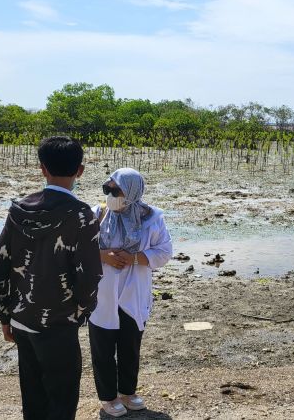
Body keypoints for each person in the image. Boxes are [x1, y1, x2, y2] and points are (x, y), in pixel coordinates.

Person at [0, 135, 103, 420]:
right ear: (80, 170)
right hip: (60, 323)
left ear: (42, 168)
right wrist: (82, 311)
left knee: (33, 396)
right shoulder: (82, 216)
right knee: (62, 401)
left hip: (22, 319)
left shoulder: (19, 210)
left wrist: (4, 315)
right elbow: (90, 274)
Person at [88, 168, 172, 417]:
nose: (111, 195)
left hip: (134, 291)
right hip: (103, 293)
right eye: (108, 189)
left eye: (116, 190)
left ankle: (127, 391)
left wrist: (135, 258)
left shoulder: (152, 218)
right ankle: (108, 397)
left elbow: (164, 251)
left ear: (132, 191)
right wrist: (104, 256)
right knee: (102, 348)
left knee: (130, 345)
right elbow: (79, 250)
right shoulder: (98, 214)